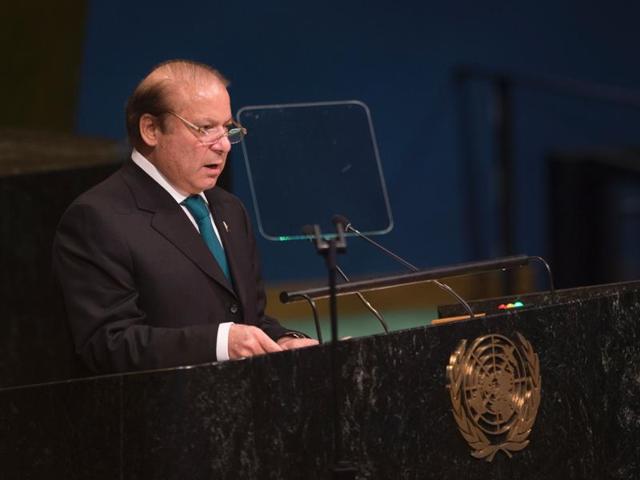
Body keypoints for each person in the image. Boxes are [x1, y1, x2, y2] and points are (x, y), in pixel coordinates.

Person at [53, 59, 317, 373]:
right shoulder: (97, 218)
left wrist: (284, 340)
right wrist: (219, 343)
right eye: (205, 128)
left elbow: (249, 320)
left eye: (227, 128)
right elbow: (108, 344)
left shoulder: (229, 208)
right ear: (151, 129)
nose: (223, 146)